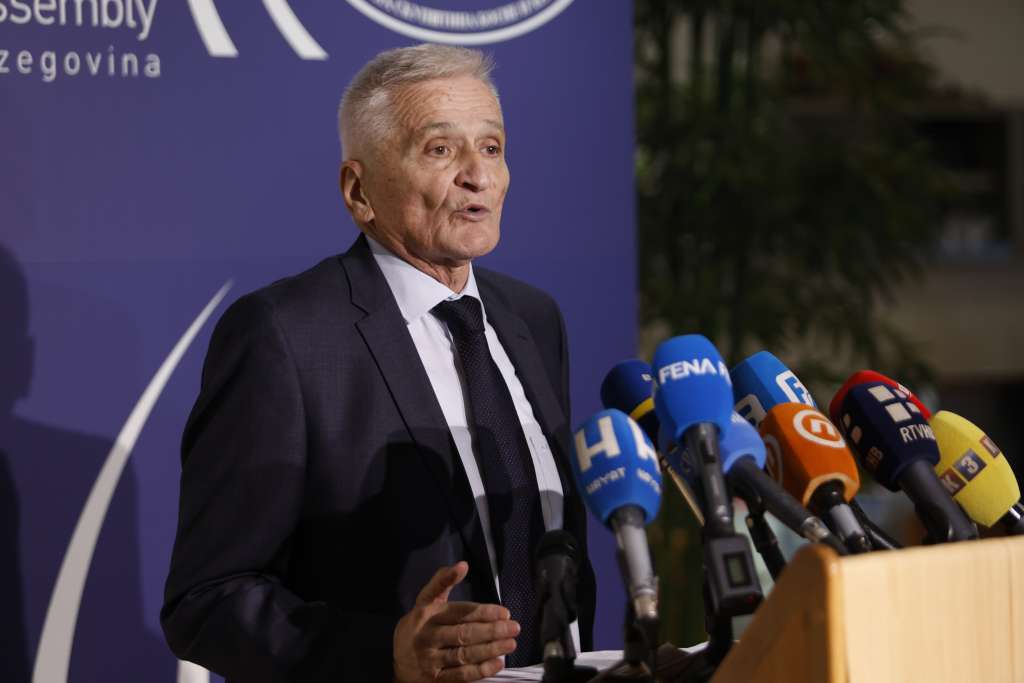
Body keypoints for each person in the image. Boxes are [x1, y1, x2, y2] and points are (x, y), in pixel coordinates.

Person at [161, 44, 596, 683]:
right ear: (359, 191)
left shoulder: (533, 319)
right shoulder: (285, 336)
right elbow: (207, 599)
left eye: (492, 147)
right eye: (440, 150)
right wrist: (387, 653)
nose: (478, 176)